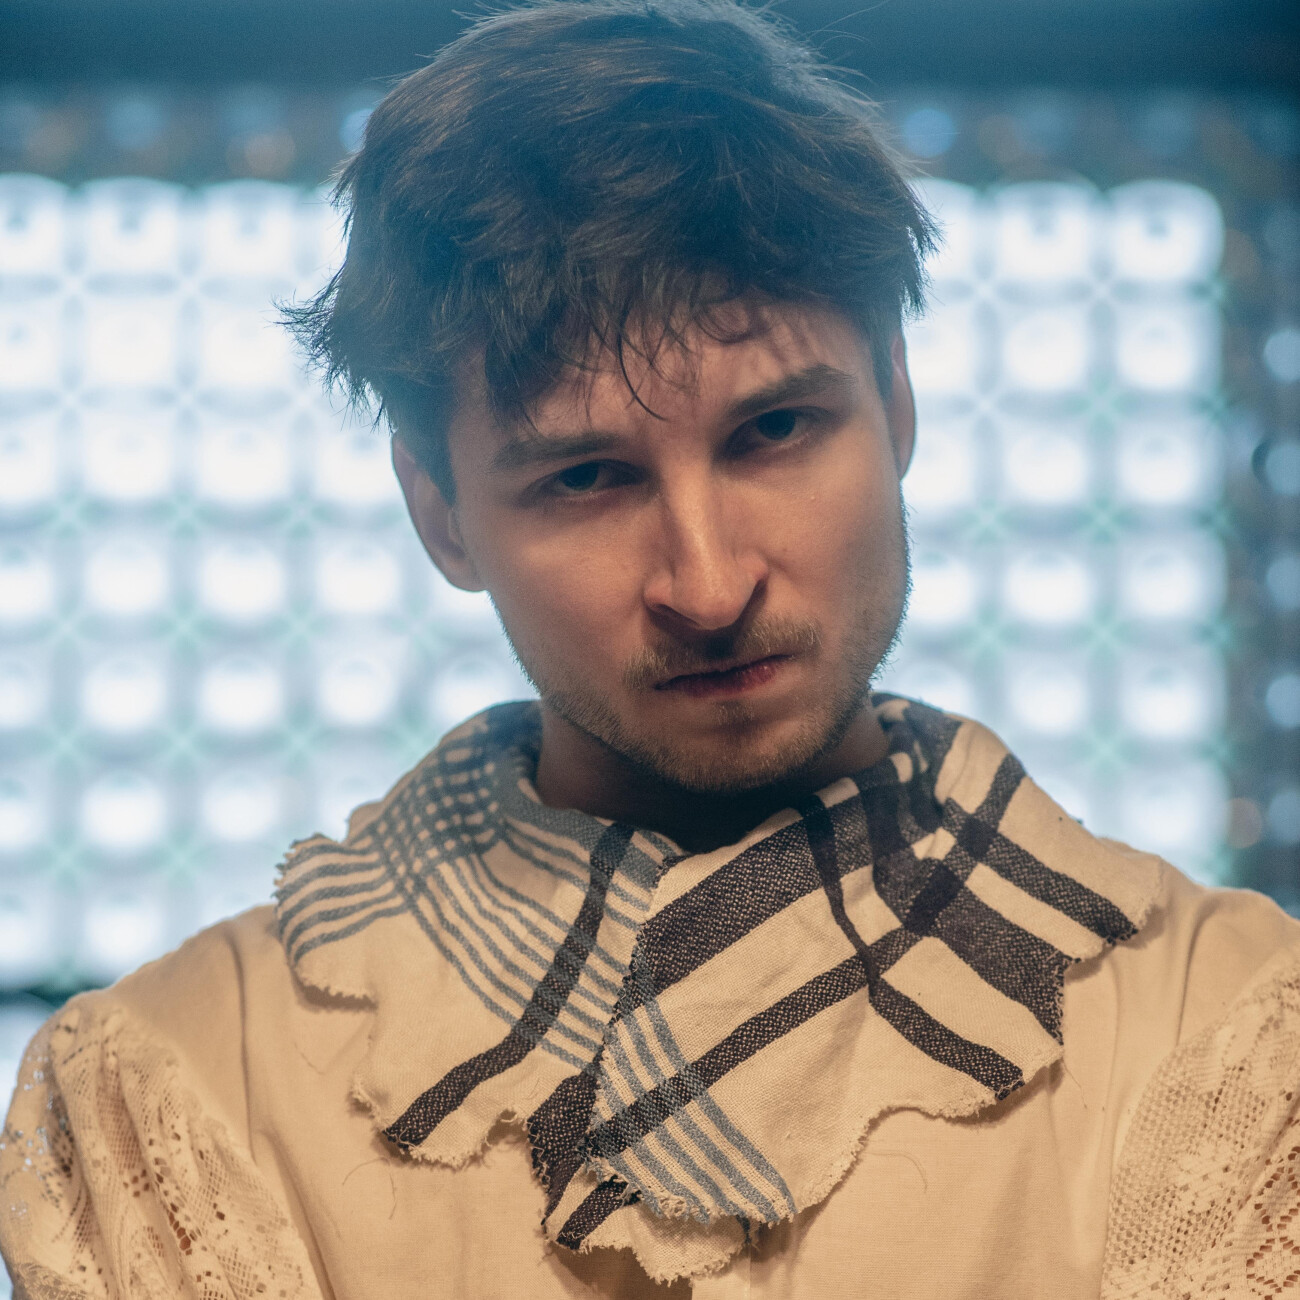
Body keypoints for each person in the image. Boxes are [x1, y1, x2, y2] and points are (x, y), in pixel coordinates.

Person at [3, 1, 1299, 1295]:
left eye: (775, 431)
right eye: (585, 479)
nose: (709, 584)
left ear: (896, 403)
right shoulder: (182, 1091)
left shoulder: (1234, 1036)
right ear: (440, 513)